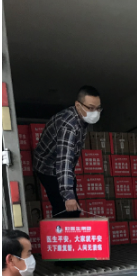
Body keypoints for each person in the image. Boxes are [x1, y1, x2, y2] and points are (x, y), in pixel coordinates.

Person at [33, 86, 102, 219]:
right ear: (78, 105)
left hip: (59, 165)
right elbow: (64, 162)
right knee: (64, 209)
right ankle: (60, 231)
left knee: (74, 210)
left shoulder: (81, 117)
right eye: (91, 108)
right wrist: (68, 197)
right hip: (47, 168)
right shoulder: (69, 127)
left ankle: (70, 225)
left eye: (98, 108)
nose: (95, 112)